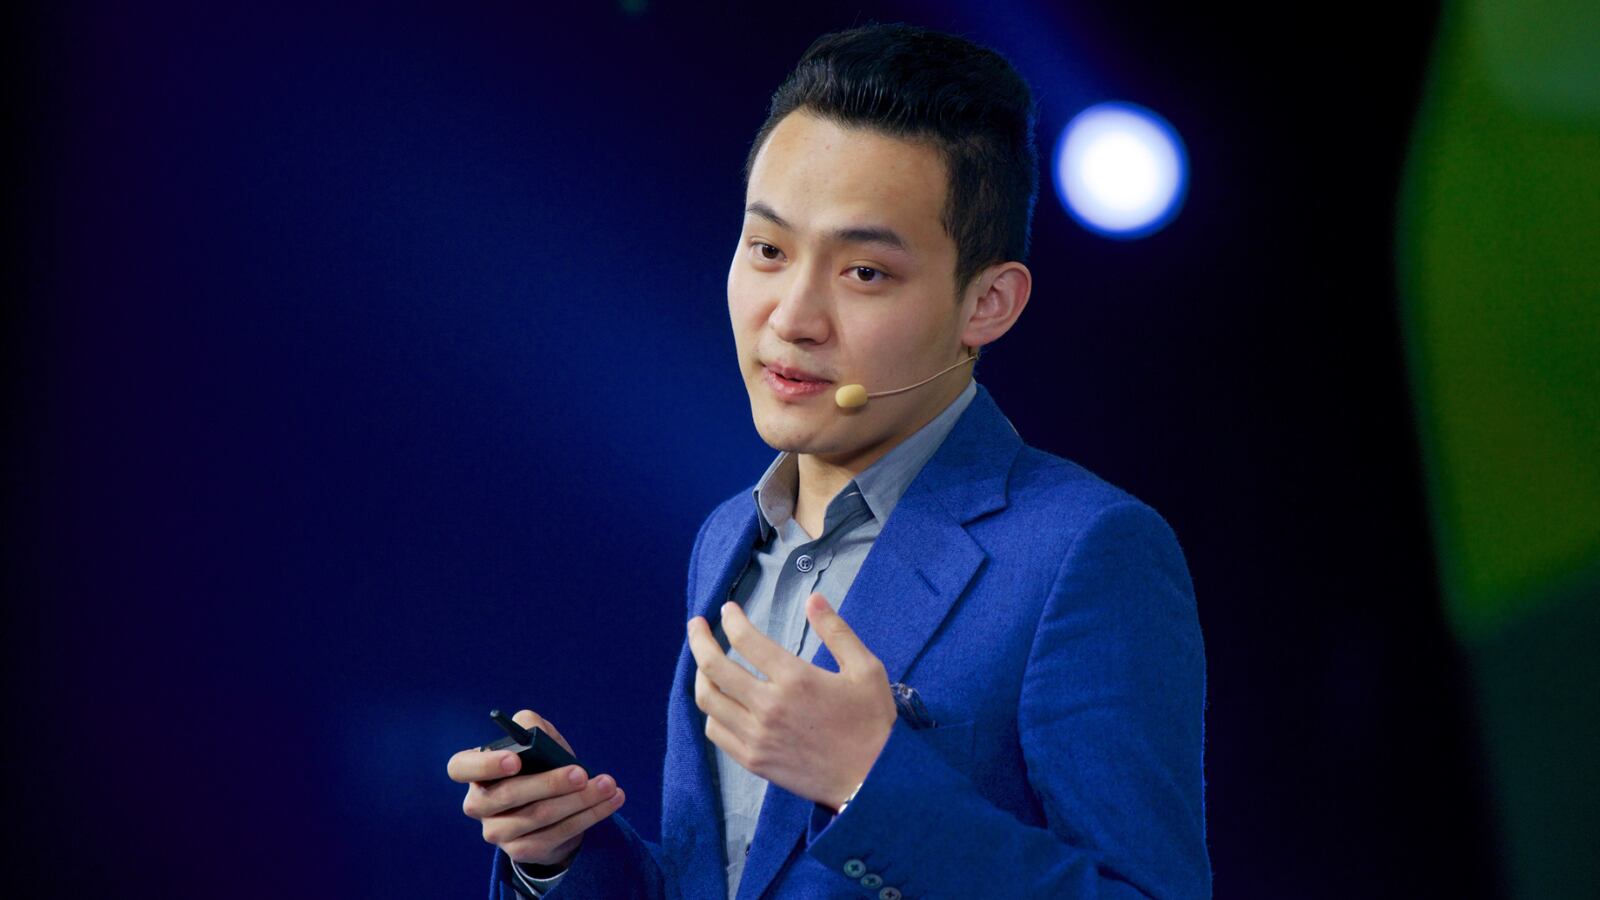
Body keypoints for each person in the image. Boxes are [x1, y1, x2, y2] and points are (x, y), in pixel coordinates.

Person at [448, 22, 1210, 900]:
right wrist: (563, 855)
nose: (793, 317)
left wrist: (867, 783)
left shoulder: (1087, 550)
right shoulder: (730, 534)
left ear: (988, 304)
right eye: (768, 250)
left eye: (864, 274)